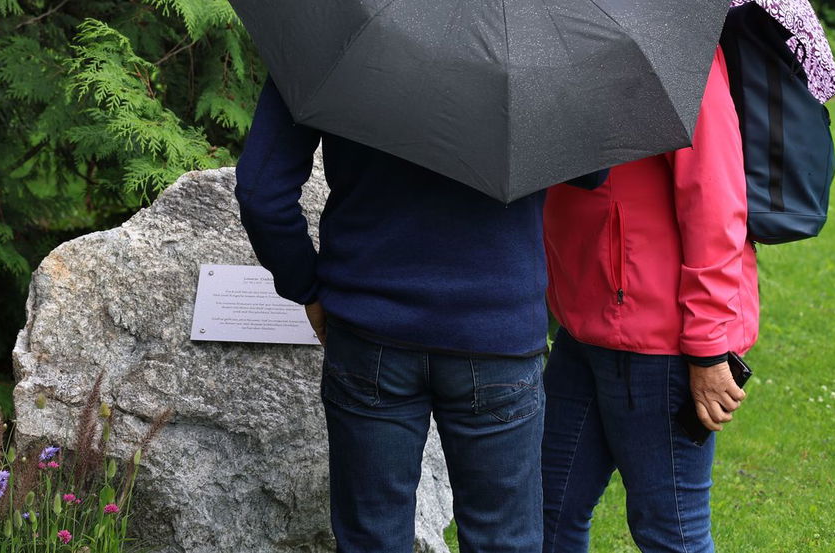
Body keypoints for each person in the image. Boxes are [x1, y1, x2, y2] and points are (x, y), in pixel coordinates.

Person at [235, 79, 606, 553]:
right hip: (497, 331)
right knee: (504, 541)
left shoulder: (333, 25)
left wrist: (306, 285)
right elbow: (591, 173)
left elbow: (261, 191)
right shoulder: (534, 44)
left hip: (369, 326)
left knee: (372, 537)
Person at [541, 45, 756, 552]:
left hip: (660, 339)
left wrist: (706, 345)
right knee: (546, 513)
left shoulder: (677, 50)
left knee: (670, 533)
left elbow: (716, 200)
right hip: (583, 324)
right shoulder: (565, 42)